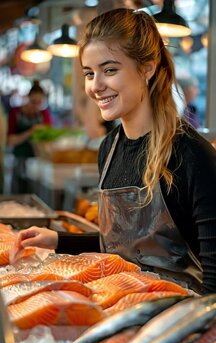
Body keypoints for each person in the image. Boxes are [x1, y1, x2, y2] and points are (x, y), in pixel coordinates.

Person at [16, 8, 216, 295]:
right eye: (89, 73)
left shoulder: (190, 154)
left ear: (147, 67)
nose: (96, 86)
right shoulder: (110, 149)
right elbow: (124, 246)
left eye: (110, 70)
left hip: (178, 322)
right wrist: (60, 241)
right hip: (120, 303)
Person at [7, 80, 52, 193]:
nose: (36, 106)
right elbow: (10, 140)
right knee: (18, 193)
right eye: (33, 102)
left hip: (38, 163)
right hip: (19, 160)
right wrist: (30, 132)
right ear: (27, 98)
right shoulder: (15, 112)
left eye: (39, 102)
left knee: (36, 193)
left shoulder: (44, 114)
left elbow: (49, 139)